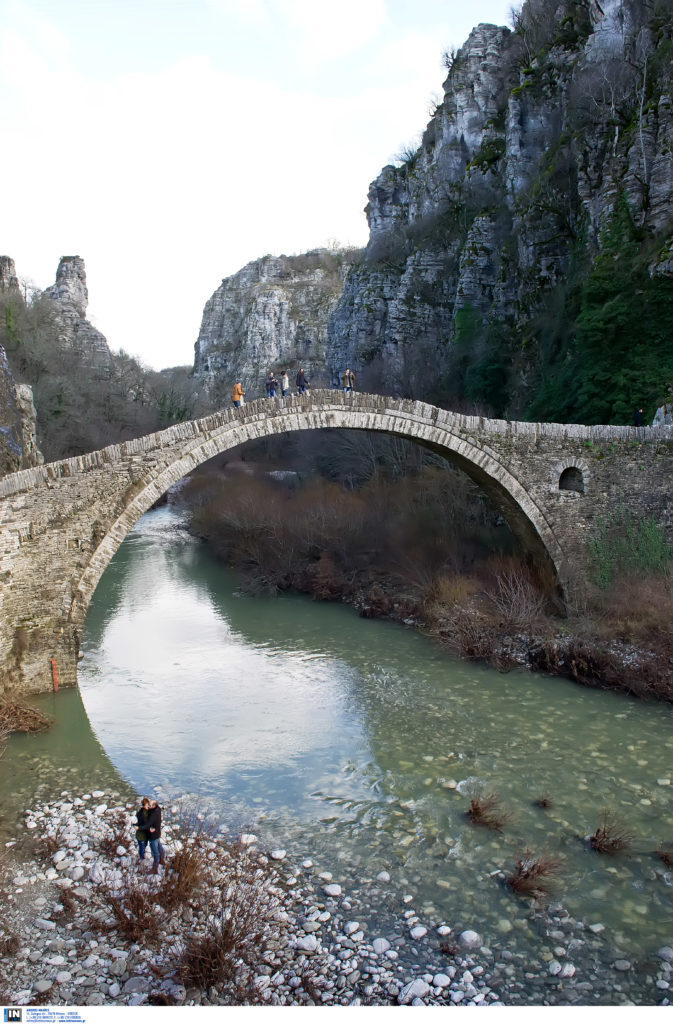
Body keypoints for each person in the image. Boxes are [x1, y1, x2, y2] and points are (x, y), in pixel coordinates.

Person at [145, 798, 166, 874]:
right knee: (159, 845)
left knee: (155, 852)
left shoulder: (153, 814)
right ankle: (162, 859)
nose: (148, 806)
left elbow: (148, 823)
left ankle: (155, 868)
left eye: (150, 805)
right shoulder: (158, 809)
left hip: (153, 835)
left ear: (154, 806)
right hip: (157, 832)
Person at [135, 796, 152, 864]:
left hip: (145, 834)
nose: (148, 806)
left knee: (144, 846)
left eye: (148, 805)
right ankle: (141, 859)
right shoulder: (140, 814)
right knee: (142, 847)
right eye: (146, 805)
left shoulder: (148, 812)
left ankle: (141, 857)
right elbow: (142, 824)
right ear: (143, 805)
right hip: (141, 834)